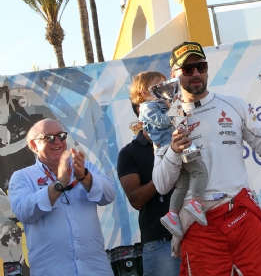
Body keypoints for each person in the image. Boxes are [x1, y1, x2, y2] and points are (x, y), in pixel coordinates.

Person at [152, 41, 261, 275]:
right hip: (200, 225)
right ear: (173, 75)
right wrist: (175, 152)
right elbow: (161, 185)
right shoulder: (167, 119)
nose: (196, 73)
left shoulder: (233, 105)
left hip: (241, 215)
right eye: (188, 69)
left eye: (201, 66)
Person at [8, 118, 115, 276]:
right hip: (53, 271)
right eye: (49, 138)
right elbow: (24, 212)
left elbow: (109, 195)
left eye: (61, 136)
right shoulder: (23, 177)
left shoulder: (84, 167)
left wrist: (85, 176)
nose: (57, 141)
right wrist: (59, 184)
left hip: (95, 269)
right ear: (33, 145)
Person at [129, 71, 208, 239]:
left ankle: (172, 214)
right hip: (172, 147)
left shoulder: (160, 104)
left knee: (183, 182)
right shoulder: (147, 107)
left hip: (177, 144)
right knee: (200, 171)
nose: (164, 90)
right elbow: (164, 121)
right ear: (143, 92)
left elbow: (175, 119)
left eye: (166, 86)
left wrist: (177, 108)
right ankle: (196, 203)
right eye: (158, 87)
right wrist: (173, 106)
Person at [117, 102, 181, 275]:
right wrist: (166, 170)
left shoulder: (183, 137)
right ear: (141, 108)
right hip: (161, 242)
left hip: (201, 234)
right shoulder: (129, 153)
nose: (165, 102)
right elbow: (136, 200)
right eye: (157, 97)